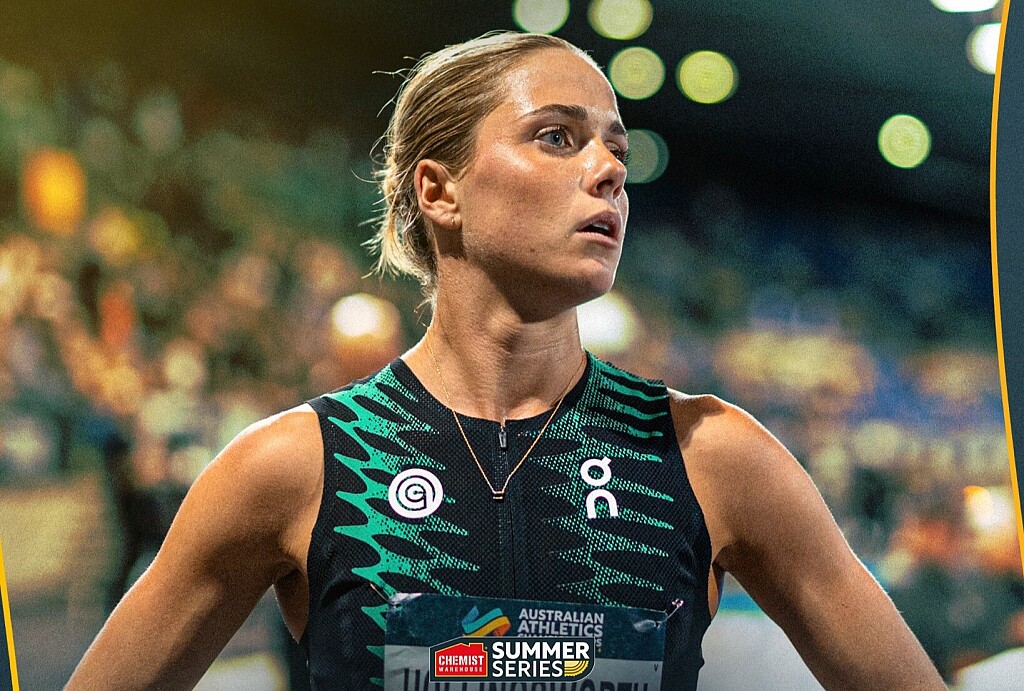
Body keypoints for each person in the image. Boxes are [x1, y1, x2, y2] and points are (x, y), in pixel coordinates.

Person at [68, 31, 944, 690]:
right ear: (438, 189)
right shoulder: (294, 466)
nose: (608, 170)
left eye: (616, 148)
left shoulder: (712, 454)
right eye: (557, 137)